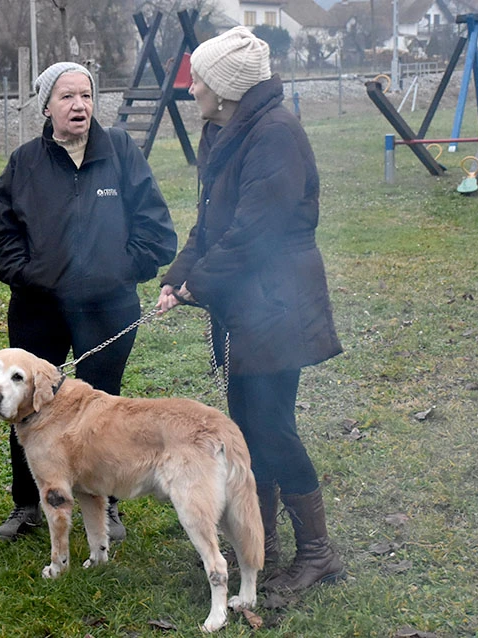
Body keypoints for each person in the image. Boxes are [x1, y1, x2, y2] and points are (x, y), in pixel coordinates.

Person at [154, 26, 345, 593]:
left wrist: (201, 285)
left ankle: (318, 554)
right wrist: (178, 277)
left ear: (227, 86)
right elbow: (212, 222)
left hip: (278, 300)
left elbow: (253, 230)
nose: (191, 90)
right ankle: (260, 542)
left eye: (200, 80)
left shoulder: (275, 135)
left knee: (272, 428)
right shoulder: (225, 129)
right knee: (248, 427)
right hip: (245, 300)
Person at [0, 61, 178, 542]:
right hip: (39, 309)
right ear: (47, 105)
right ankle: (28, 503)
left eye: (86, 96)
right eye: (67, 97)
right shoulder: (24, 162)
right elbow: (0, 236)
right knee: (25, 406)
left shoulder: (121, 152)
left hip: (107, 308)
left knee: (101, 411)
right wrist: (32, 277)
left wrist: (118, 273)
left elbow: (156, 230)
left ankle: (104, 505)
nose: (79, 106)